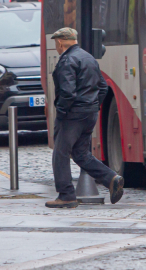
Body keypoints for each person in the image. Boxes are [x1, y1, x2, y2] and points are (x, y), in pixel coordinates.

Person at [46, 27, 124, 208]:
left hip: (72, 115)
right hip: (89, 114)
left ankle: (66, 195)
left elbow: (67, 92)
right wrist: (94, 106)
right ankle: (111, 178)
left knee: (60, 153)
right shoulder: (89, 58)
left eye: (55, 44)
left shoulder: (67, 60)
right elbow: (103, 87)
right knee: (81, 154)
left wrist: (63, 113)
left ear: (59, 42)